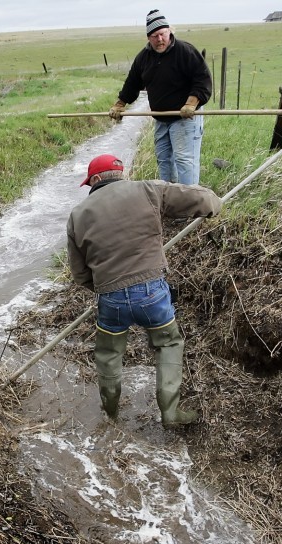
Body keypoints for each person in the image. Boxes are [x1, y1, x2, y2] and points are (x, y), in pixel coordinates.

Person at [66, 154, 221, 425]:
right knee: (168, 344)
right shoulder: (148, 189)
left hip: (110, 299)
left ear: (97, 179)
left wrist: (104, 287)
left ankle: (111, 414)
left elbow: (80, 274)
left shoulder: (77, 215)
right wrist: (215, 205)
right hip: (152, 294)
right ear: (120, 174)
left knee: (109, 355)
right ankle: (170, 413)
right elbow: (202, 199)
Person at [109, 9, 212, 186]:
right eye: (154, 36)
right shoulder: (144, 57)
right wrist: (120, 104)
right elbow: (132, 83)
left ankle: (191, 204)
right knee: (164, 159)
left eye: (162, 34)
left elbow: (202, 79)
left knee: (184, 160)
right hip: (161, 119)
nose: (160, 39)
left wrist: (192, 102)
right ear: (148, 37)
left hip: (184, 117)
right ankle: (170, 199)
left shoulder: (185, 51)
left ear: (169, 31)